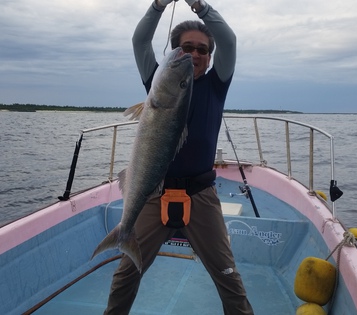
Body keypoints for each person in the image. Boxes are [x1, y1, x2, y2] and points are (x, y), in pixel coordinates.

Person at [102, 0, 254, 314]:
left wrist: (200, 7)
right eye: (187, 48)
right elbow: (140, 41)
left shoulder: (216, 84)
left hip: (201, 193)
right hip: (152, 192)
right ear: (174, 52)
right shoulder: (159, 79)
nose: (195, 55)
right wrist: (158, 6)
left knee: (227, 275)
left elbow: (229, 41)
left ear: (211, 57)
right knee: (126, 273)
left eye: (203, 50)